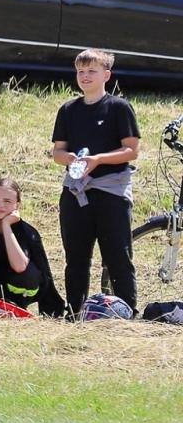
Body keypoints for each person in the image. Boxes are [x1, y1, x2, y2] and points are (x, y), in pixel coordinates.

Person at [53, 48, 141, 315]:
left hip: (111, 192)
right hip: (76, 192)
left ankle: (127, 311)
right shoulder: (68, 109)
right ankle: (75, 311)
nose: (85, 76)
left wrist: (98, 160)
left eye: (92, 71)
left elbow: (131, 150)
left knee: (117, 256)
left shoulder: (119, 107)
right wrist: (70, 159)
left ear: (106, 75)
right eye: (81, 71)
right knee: (76, 258)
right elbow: (58, 152)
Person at [0, 177, 66, 317]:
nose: (0, 205)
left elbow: (20, 266)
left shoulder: (27, 232)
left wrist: (6, 226)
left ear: (17, 205)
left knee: (29, 275)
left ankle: (11, 308)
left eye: (7, 201)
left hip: (10, 289)